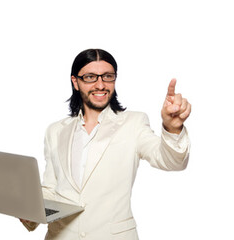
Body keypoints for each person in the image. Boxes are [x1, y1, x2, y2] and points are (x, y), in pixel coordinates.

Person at [20, 48, 192, 240]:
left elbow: (172, 161)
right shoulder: (55, 131)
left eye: (107, 76)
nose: (100, 85)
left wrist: (172, 128)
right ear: (75, 82)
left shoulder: (134, 123)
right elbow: (51, 190)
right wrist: (31, 214)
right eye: (90, 77)